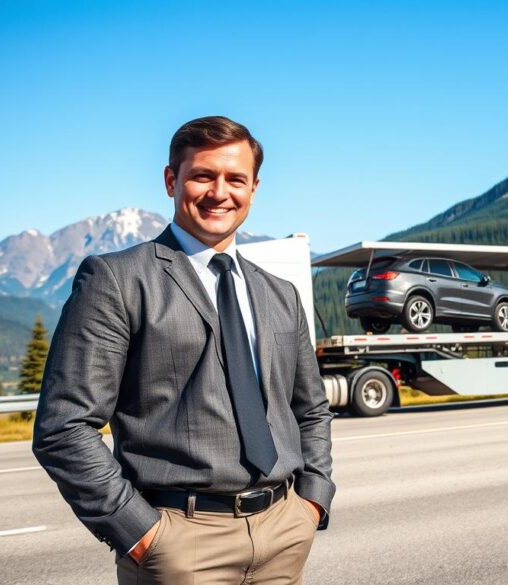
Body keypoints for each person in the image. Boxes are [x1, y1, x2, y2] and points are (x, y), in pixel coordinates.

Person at [33, 116, 334, 585]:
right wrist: (140, 532)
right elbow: (63, 426)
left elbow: (311, 409)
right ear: (172, 180)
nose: (220, 192)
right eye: (202, 176)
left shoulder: (280, 294)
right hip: (178, 545)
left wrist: (312, 499)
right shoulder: (117, 279)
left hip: (283, 534)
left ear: (254, 188)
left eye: (236, 179)